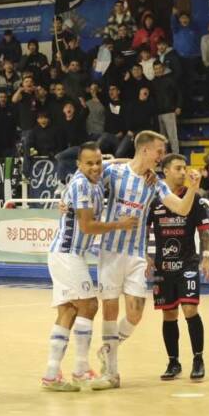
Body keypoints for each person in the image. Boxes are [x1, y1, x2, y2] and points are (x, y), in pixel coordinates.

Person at [92, 131, 202, 390]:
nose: (161, 156)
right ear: (144, 150)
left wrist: (193, 188)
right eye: (159, 151)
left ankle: (108, 348)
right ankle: (111, 372)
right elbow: (87, 175)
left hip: (136, 254)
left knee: (135, 313)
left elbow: (182, 208)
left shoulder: (155, 183)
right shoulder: (114, 172)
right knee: (110, 310)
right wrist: (66, 203)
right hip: (110, 251)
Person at [42, 143, 135, 392]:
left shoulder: (95, 177)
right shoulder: (81, 185)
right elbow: (87, 226)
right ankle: (81, 369)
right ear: (79, 165)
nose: (95, 167)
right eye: (89, 163)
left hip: (69, 253)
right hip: (67, 253)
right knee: (90, 305)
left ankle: (51, 374)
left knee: (68, 311)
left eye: (98, 162)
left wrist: (136, 165)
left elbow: (120, 163)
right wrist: (120, 224)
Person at [146, 154, 209, 382]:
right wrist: (145, 254)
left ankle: (198, 359)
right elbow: (144, 229)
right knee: (169, 313)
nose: (183, 172)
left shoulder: (195, 199)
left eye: (184, 168)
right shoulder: (154, 199)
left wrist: (206, 257)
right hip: (163, 266)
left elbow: (204, 232)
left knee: (190, 310)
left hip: (187, 264)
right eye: (178, 168)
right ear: (165, 171)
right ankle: (173, 362)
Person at [152, 60, 181, 153]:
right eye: (156, 69)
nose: (158, 70)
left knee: (173, 137)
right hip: (158, 113)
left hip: (169, 112)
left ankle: (176, 156)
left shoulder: (171, 80)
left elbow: (179, 93)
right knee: (162, 139)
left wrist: (178, 106)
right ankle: (164, 158)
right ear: (153, 70)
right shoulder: (152, 83)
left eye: (159, 68)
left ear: (163, 68)